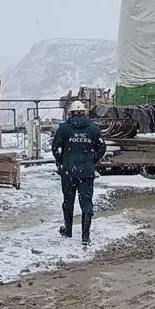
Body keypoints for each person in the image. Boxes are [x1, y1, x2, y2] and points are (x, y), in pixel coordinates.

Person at [51, 100, 107, 245]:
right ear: (84, 112)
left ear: (71, 113)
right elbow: (102, 147)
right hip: (86, 173)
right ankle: (85, 236)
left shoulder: (64, 128)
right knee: (86, 203)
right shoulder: (93, 128)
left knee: (68, 202)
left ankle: (68, 230)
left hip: (69, 172)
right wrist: (91, 160)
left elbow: (55, 147)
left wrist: (62, 161)